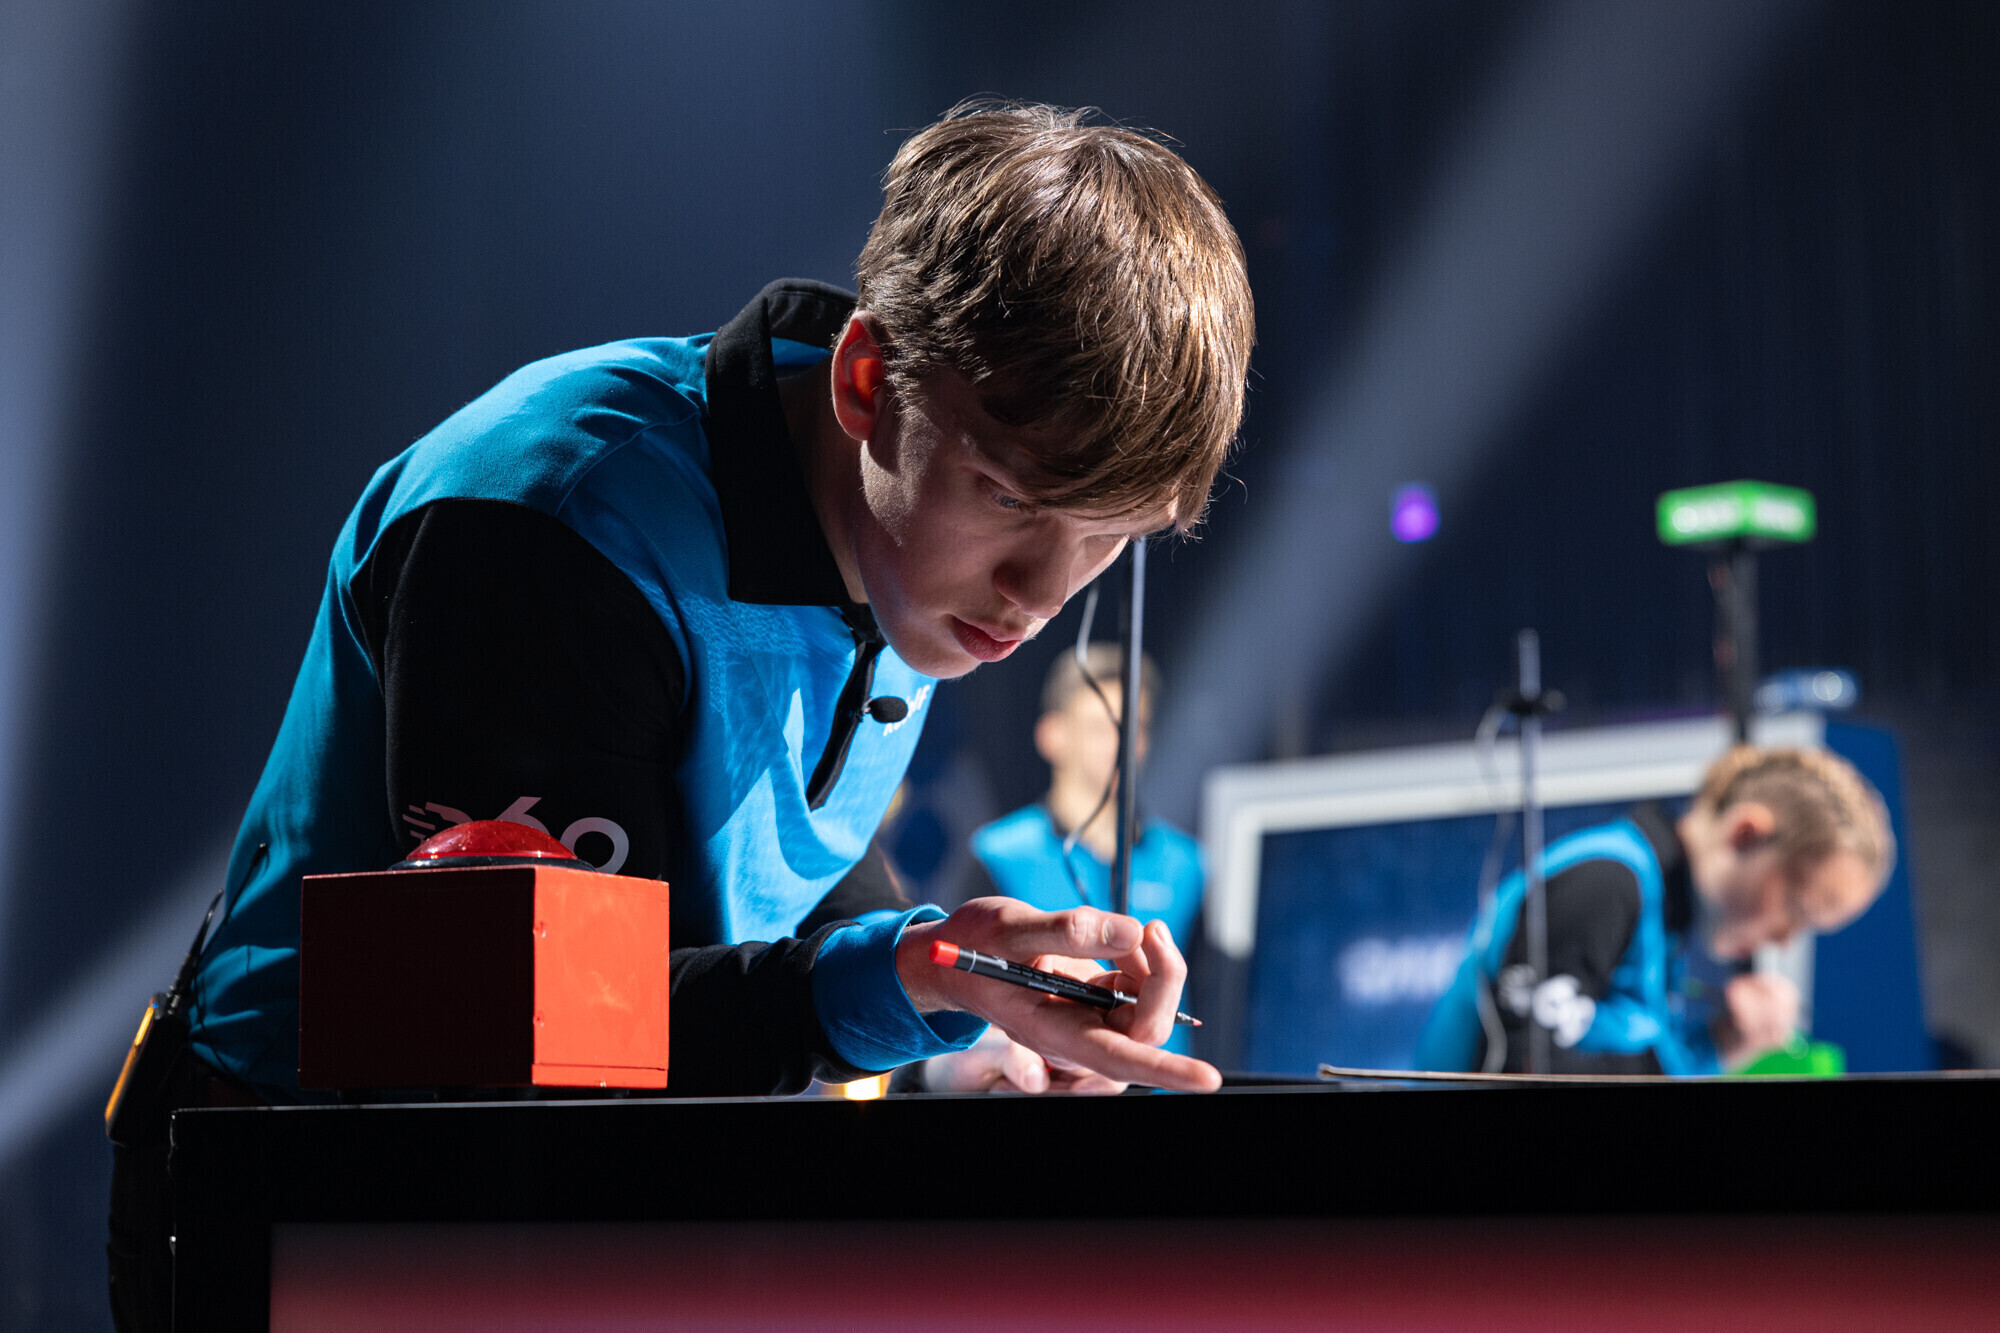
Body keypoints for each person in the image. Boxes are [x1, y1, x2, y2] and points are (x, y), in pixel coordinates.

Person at [107, 101, 1254, 1329]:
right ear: (868, 381)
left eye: (1108, 537)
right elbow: (534, 1042)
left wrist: (967, 1023)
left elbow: (781, 862)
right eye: (1010, 499)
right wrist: (902, 977)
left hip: (577, 1217)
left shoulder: (908, 539)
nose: (1040, 594)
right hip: (306, 1211)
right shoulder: (551, 529)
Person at [1415, 745, 1896, 1076]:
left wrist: (1722, 1043)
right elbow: (1531, 1071)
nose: (1786, 939)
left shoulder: (1658, 908)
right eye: (1795, 909)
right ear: (1745, 834)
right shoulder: (1607, 884)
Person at [927, 644, 1204, 1091]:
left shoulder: (1186, 863)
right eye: (1101, 726)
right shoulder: (998, 853)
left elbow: (1215, 997)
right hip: (1040, 1084)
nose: (1121, 745)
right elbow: (951, 998)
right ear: (1051, 734)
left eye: (1136, 727)